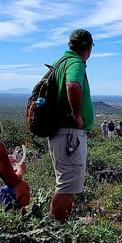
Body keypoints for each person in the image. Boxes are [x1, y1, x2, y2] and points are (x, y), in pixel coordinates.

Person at [48, 28, 95, 222]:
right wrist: (77, 115)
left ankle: (59, 229)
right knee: (66, 187)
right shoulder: (76, 63)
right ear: (88, 48)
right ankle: (56, 234)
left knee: (67, 186)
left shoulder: (61, 62)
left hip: (63, 133)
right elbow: (73, 85)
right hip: (69, 135)